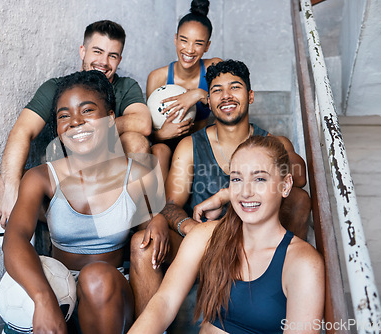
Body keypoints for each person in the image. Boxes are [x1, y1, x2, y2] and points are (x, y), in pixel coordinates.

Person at [130, 60, 311, 317]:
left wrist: (270, 153)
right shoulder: (190, 146)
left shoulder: (272, 143)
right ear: (209, 100)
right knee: (142, 243)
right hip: (202, 245)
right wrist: (191, 229)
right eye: (216, 90)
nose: (226, 96)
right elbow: (172, 204)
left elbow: (300, 177)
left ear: (250, 96)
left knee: (299, 198)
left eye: (235, 88)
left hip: (255, 246)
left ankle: (284, 284)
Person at [1, 71, 166, 333]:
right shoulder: (42, 178)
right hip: (60, 290)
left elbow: (149, 226)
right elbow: (15, 238)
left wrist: (159, 222)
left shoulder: (135, 174)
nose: (75, 122)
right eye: (64, 115)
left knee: (96, 276)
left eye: (87, 110)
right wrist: (43, 299)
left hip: (111, 291)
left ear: (111, 119)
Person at [129, 135, 325, 333]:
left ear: (285, 185)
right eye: (237, 179)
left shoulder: (303, 262)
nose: (246, 192)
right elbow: (164, 303)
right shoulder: (207, 235)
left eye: (259, 179)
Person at [0, 20, 152, 228]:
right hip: (64, 185)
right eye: (97, 51)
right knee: (5, 182)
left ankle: (134, 228)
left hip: (109, 184)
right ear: (82, 51)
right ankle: (36, 246)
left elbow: (142, 123)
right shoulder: (57, 87)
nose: (104, 62)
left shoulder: (124, 86)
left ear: (119, 59)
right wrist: (11, 186)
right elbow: (22, 130)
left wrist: (93, 132)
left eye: (112, 56)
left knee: (135, 141)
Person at [147, 0, 222, 177]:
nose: (189, 49)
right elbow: (148, 132)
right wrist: (161, 135)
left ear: (207, 46)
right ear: (175, 39)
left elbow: (226, 106)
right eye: (184, 40)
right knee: (158, 150)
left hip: (200, 144)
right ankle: (163, 205)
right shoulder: (157, 77)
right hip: (168, 146)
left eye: (198, 43)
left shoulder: (214, 67)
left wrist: (198, 94)